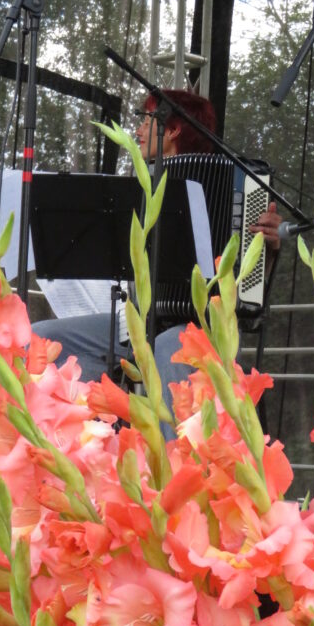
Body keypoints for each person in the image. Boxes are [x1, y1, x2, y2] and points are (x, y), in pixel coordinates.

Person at [32, 88, 281, 411]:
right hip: (138, 319)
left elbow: (247, 291)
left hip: (200, 326)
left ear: (173, 129)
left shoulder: (237, 184)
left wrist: (267, 248)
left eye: (146, 120)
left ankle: (174, 446)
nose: (137, 130)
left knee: (166, 348)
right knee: (42, 339)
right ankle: (88, 428)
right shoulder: (141, 181)